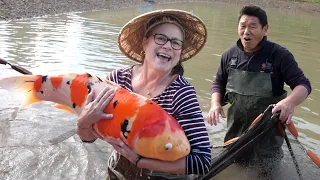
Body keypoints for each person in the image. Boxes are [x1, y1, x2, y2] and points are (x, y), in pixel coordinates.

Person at [76, 9, 212, 179]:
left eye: (176, 43)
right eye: (161, 38)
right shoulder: (117, 80)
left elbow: (202, 161)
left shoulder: (181, 93)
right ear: (144, 42)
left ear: (180, 52)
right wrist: (83, 123)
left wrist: (139, 160)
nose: (168, 46)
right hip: (117, 171)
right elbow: (89, 138)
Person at [207, 5, 311, 160]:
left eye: (252, 27)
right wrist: (215, 104)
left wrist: (289, 102)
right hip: (235, 135)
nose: (246, 32)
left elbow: (303, 85)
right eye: (242, 26)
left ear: (265, 29)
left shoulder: (279, 55)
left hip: (267, 138)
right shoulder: (230, 55)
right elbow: (218, 83)